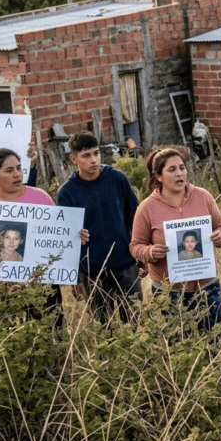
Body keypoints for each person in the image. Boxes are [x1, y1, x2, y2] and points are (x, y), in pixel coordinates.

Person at [0, 148, 88, 324]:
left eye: (19, 168)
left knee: (49, 339)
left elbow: (56, 240)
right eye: (9, 170)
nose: (17, 174)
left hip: (44, 290)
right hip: (1, 292)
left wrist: (73, 238)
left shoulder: (40, 198)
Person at [130, 147, 221, 331]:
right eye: (172, 170)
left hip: (207, 288)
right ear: (158, 176)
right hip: (169, 292)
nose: (179, 174)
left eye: (182, 168)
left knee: (213, 343)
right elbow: (136, 246)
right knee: (178, 348)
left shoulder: (203, 196)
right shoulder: (147, 208)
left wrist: (220, 236)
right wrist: (150, 252)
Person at [56, 131, 142, 325]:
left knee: (135, 323)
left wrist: (142, 255)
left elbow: (135, 218)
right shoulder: (66, 193)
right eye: (86, 155)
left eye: (96, 153)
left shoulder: (117, 179)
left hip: (125, 264)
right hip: (92, 271)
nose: (93, 160)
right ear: (73, 158)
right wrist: (75, 277)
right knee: (104, 327)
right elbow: (65, 239)